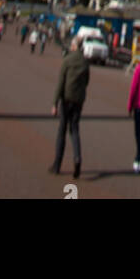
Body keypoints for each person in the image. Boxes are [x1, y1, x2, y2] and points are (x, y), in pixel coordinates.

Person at [49, 37, 90, 179]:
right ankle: (77, 157)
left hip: (66, 99)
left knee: (62, 131)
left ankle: (57, 164)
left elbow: (60, 82)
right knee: (75, 131)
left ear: (73, 46)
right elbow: (86, 82)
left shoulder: (67, 60)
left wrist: (55, 103)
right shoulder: (85, 62)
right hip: (78, 100)